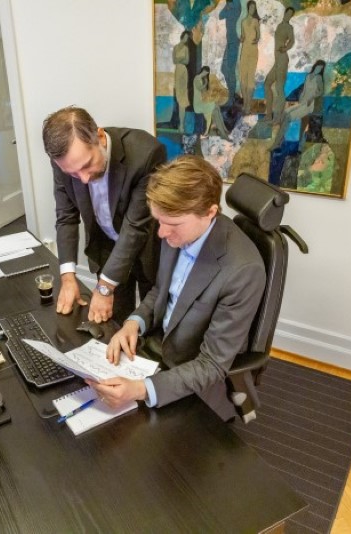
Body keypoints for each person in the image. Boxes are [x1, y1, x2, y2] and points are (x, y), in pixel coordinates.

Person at [88, 155, 266, 421]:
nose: (160, 233)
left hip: (192, 372)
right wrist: (134, 323)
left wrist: (141, 389)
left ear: (210, 213)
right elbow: (161, 290)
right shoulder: (176, 230)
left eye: (171, 224)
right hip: (156, 348)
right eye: (158, 221)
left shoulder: (243, 271)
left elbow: (212, 364)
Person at [43, 106, 166, 324]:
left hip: (148, 248)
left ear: (99, 137)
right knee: (114, 323)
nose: (82, 179)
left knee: (153, 321)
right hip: (107, 248)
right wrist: (68, 276)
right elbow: (66, 216)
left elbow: (135, 227)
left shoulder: (146, 153)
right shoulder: (64, 161)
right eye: (72, 173)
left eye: (87, 165)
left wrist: (104, 288)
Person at [263, 6, 296, 124]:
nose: (289, 16)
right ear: (285, 13)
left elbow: (292, 40)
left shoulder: (289, 27)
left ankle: (277, 118)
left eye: (291, 15)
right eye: (288, 13)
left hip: (282, 59)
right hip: (277, 60)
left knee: (279, 88)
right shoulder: (279, 26)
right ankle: (268, 115)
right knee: (267, 84)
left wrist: (285, 48)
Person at [193, 66, 230, 138]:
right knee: (215, 108)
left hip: (202, 102)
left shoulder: (202, 79)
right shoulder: (197, 78)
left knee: (216, 107)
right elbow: (199, 88)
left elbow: (204, 94)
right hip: (198, 104)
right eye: (206, 72)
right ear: (203, 71)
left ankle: (223, 129)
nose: (206, 74)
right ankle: (223, 132)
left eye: (206, 73)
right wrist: (206, 84)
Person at [238, 0, 261, 114]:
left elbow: (259, 35)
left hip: (253, 51)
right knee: (243, 78)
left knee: (250, 78)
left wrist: (255, 40)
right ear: (248, 8)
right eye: (251, 7)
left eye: (254, 8)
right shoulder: (242, 21)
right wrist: (241, 39)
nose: (252, 9)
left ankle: (248, 106)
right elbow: (242, 36)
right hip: (244, 50)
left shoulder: (256, 21)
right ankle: (245, 103)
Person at [172, 31, 191, 133]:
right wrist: (181, 59)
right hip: (178, 70)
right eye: (185, 38)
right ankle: (180, 124)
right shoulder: (175, 47)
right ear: (182, 37)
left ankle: (182, 125)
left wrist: (180, 60)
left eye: (187, 39)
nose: (185, 40)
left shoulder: (186, 48)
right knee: (179, 96)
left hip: (183, 70)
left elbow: (187, 61)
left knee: (183, 97)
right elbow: (174, 60)